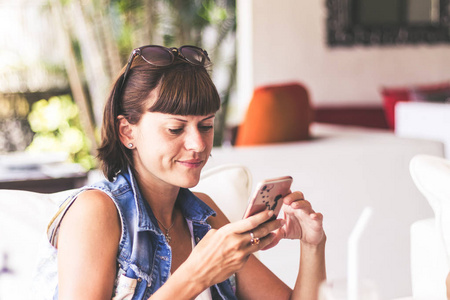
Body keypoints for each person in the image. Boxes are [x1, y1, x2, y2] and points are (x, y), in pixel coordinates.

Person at [32, 45, 326, 299]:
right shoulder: (96, 212)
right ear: (126, 131)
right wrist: (197, 275)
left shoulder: (205, 215)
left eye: (206, 125)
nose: (198, 144)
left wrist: (313, 244)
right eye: (175, 128)